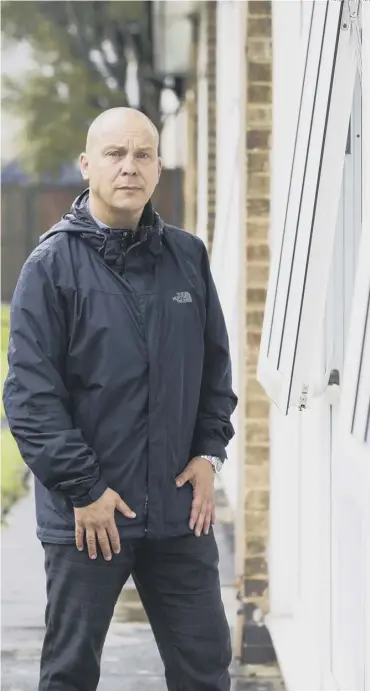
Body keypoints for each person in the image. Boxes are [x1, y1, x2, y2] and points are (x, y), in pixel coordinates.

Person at [3, 107, 238, 691]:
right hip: (90, 520)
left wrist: (209, 456)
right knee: (70, 675)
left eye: (142, 154)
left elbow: (215, 372)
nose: (129, 167)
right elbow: (31, 398)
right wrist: (84, 490)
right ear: (87, 165)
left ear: (159, 167)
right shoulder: (50, 267)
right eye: (114, 154)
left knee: (207, 671)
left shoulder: (189, 258)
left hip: (179, 513)